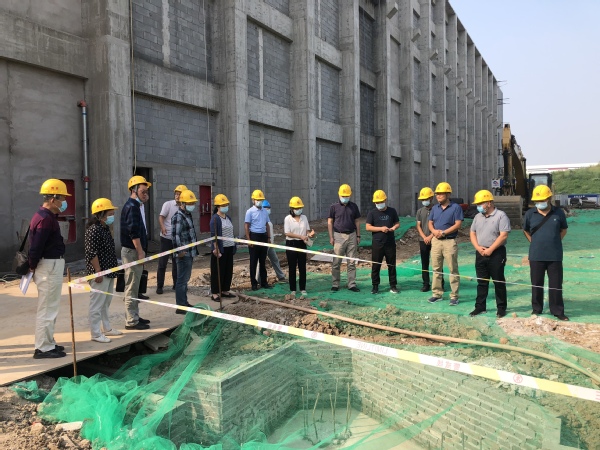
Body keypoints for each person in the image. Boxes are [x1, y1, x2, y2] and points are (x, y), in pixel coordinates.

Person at [28, 179, 70, 359]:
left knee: (51, 307)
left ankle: (48, 342)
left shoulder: (46, 216)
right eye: (62, 199)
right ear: (53, 199)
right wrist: (32, 266)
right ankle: (43, 348)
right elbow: (36, 247)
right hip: (48, 266)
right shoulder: (45, 219)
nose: (64, 202)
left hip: (51, 265)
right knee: (47, 308)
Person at [523, 185, 569, 321]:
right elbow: (526, 230)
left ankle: (557, 310)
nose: (539, 203)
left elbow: (563, 230)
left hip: (554, 255)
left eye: (542, 200)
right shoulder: (530, 214)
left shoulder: (558, 213)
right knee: (536, 283)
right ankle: (537, 308)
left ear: (549, 198)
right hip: (536, 255)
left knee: (556, 284)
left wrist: (554, 241)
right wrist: (534, 242)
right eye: (537, 201)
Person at [85, 198, 123, 342]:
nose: (112, 216)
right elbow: (91, 252)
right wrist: (98, 270)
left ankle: (107, 328)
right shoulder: (94, 230)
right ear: (101, 214)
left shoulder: (105, 228)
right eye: (110, 214)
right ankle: (95, 333)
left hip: (109, 270)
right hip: (100, 272)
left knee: (106, 301)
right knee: (97, 304)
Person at [469, 190, 511, 318]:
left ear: (489, 203)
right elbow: (472, 233)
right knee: (482, 282)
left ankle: (501, 308)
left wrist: (491, 249)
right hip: (481, 252)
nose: (478, 206)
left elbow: (503, 235)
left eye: (480, 203)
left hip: (496, 253)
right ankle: (480, 307)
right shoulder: (478, 217)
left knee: (498, 281)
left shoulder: (501, 216)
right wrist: (478, 248)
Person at [120, 175, 152, 330]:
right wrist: (140, 252)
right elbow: (133, 233)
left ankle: (135, 315)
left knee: (135, 286)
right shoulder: (132, 207)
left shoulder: (136, 206)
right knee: (132, 286)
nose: (146, 194)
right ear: (133, 190)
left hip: (134, 251)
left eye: (147, 192)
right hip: (132, 252)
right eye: (143, 191)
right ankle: (131, 321)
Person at [428, 182, 463, 305]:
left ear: (448, 194)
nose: (438, 196)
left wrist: (443, 233)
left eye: (441, 194)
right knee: (436, 268)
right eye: (437, 194)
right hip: (436, 241)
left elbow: (458, 224)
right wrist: (434, 232)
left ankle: (454, 296)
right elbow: (430, 223)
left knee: (453, 269)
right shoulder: (434, 208)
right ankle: (437, 294)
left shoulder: (456, 207)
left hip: (449, 241)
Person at [328, 184, 361, 292]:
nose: (345, 198)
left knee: (351, 262)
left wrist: (358, 235)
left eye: (347, 196)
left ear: (350, 195)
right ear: (339, 195)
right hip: (338, 235)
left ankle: (351, 284)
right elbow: (330, 222)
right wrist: (331, 237)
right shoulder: (334, 207)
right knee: (336, 261)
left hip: (352, 235)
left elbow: (357, 221)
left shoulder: (354, 206)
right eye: (343, 196)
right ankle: (335, 284)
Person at [366, 190, 400, 294]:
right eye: (377, 202)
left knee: (391, 265)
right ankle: (375, 286)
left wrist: (394, 228)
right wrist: (381, 229)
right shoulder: (372, 213)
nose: (379, 204)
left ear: (385, 200)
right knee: (376, 265)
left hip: (390, 243)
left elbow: (397, 223)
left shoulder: (392, 211)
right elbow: (368, 227)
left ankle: (393, 285)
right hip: (377, 243)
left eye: (380, 202)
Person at [171, 190, 199, 314]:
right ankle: (181, 306)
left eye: (193, 203)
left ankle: (184, 302)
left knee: (185, 279)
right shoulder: (178, 216)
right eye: (190, 203)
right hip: (184, 254)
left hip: (189, 252)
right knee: (181, 280)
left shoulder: (187, 215)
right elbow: (175, 235)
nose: (193, 205)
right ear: (183, 203)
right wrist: (180, 251)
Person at [156, 184, 188, 294]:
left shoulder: (184, 207)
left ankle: (176, 285)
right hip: (166, 238)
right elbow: (161, 217)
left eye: (179, 194)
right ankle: (159, 286)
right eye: (176, 194)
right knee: (162, 263)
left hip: (177, 240)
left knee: (176, 263)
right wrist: (162, 227)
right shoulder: (168, 204)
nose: (177, 196)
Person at [416, 186, 445, 292]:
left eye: (426, 199)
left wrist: (430, 236)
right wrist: (424, 237)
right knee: (424, 263)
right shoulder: (420, 211)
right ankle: (426, 284)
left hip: (435, 239)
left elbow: (439, 225)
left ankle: (440, 283)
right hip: (423, 240)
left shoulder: (438, 210)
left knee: (437, 262)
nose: (424, 201)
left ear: (431, 198)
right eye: (423, 199)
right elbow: (418, 225)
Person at [284, 196, 315, 296]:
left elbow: (307, 231)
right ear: (292, 209)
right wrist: (300, 236)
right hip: (291, 244)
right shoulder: (288, 219)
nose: (299, 210)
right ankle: (293, 289)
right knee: (292, 267)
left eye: (300, 208)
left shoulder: (304, 218)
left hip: (302, 244)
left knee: (302, 267)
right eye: (296, 208)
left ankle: (303, 288)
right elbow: (287, 233)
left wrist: (310, 234)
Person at [210, 194, 237, 301]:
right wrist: (216, 248)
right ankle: (215, 292)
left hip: (229, 248)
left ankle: (225, 290)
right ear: (218, 206)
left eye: (226, 205)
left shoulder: (228, 218)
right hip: (221, 249)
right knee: (218, 271)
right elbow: (214, 235)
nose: (226, 207)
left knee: (228, 270)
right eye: (223, 205)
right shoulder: (215, 219)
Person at [245, 189, 271, 290]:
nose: (259, 202)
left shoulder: (264, 211)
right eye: (257, 200)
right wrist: (249, 239)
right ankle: (254, 283)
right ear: (253, 200)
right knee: (253, 262)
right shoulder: (250, 211)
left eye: (260, 200)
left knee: (263, 261)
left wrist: (268, 237)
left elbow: (267, 224)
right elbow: (246, 225)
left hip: (263, 236)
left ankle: (264, 282)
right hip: (254, 236)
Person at [262, 199, 286, 283]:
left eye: (269, 208)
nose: (268, 210)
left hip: (270, 245)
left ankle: (281, 276)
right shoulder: (261, 219)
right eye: (266, 208)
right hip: (265, 244)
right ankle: (258, 280)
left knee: (275, 260)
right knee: (261, 262)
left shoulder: (268, 219)